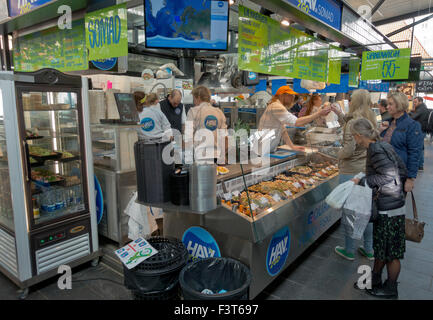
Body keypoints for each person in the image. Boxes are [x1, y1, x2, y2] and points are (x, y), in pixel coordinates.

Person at [350, 118, 407, 299]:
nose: (354, 140)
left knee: (391, 252)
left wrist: (364, 181)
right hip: (393, 203)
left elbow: (389, 176)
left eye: (354, 136)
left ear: (359, 135)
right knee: (383, 247)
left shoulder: (375, 149)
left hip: (388, 207)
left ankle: (391, 289)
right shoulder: (383, 144)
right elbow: (402, 171)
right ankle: (373, 280)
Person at [330, 89, 378, 261]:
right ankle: (369, 248)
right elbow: (351, 126)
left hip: (350, 171)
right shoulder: (370, 119)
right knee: (366, 211)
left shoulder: (354, 123)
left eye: (351, 99)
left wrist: (335, 154)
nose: (349, 101)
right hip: (366, 169)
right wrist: (339, 115)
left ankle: (349, 249)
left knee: (350, 212)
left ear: (355, 102)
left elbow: (349, 149)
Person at [257, 86, 331, 153]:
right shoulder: (276, 107)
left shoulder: (277, 106)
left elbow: (283, 130)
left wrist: (292, 146)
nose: (293, 98)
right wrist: (318, 114)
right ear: (282, 95)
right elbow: (297, 122)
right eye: (290, 95)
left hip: (268, 148)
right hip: (262, 150)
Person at [380, 92, 423, 193]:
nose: (387, 107)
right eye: (387, 104)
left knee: (393, 205)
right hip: (382, 172)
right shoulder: (388, 123)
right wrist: (380, 131)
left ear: (399, 105)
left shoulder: (412, 125)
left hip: (398, 174)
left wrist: (411, 178)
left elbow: (415, 153)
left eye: (390, 104)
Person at [185, 86, 228, 162]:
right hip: (216, 156)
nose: (194, 102)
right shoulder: (219, 112)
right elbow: (225, 138)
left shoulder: (193, 111)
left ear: (198, 97)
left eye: (194, 99)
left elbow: (188, 137)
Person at [410, 97, 430, 171]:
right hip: (422, 130)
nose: (414, 104)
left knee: (418, 148)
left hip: (420, 130)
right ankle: (420, 165)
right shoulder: (422, 108)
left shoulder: (421, 109)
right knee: (420, 147)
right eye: (413, 102)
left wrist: (409, 113)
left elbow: (413, 117)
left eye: (415, 102)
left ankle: (419, 165)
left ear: (420, 102)